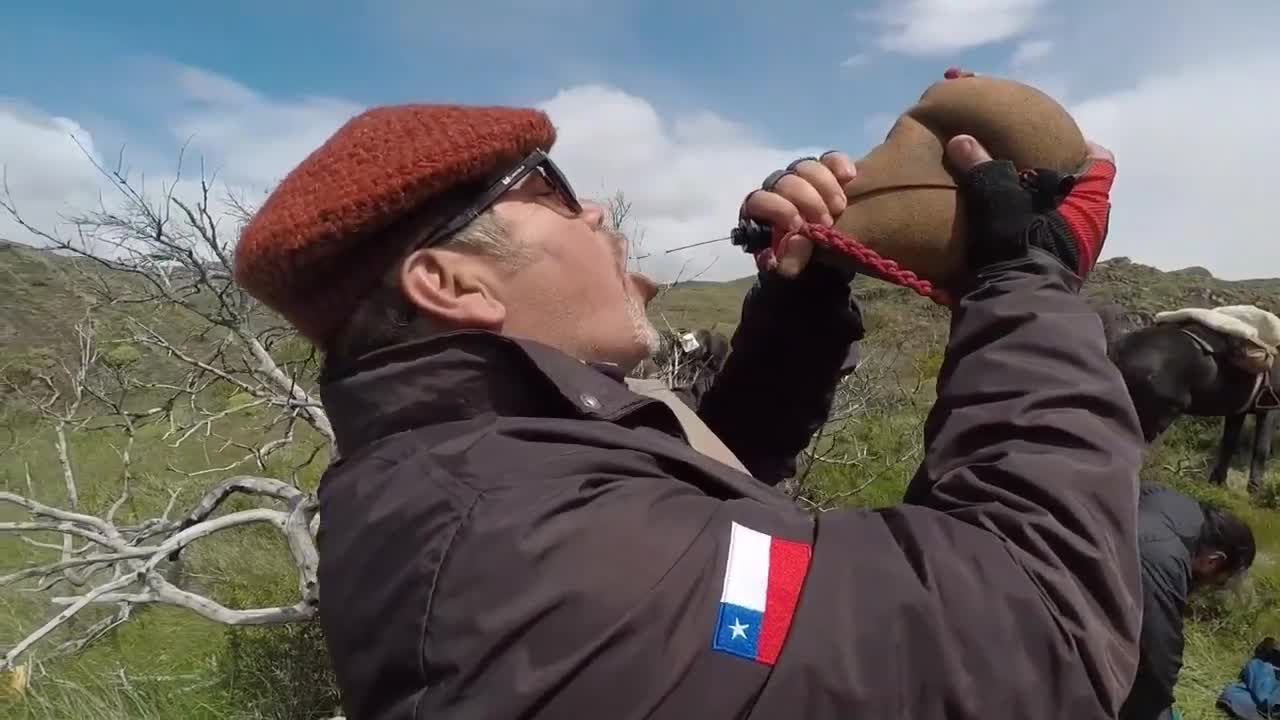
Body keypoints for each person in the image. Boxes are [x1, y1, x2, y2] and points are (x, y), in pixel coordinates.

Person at [232, 68, 1147, 719]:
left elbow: (705, 519)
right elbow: (1037, 629)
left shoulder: (485, 471)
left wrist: (801, 303)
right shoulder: (536, 568)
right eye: (549, 191)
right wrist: (1028, 284)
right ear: (454, 285)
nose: (595, 212)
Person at [1121, 482, 1257, 720]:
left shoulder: (1174, 503)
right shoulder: (1164, 558)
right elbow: (1160, 656)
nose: (1203, 587)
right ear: (1214, 560)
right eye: (1216, 582)